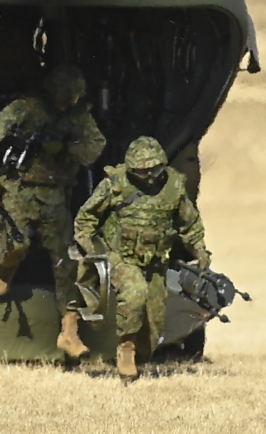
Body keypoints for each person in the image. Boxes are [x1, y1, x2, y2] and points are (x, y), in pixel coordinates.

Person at [0, 64, 107, 359]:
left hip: (55, 195)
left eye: (72, 97)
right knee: (17, 243)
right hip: (19, 190)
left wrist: (67, 149)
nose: (67, 101)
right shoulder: (26, 108)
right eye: (62, 95)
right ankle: (5, 269)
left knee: (67, 260)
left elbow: (95, 146)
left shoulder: (78, 116)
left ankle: (69, 332)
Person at [72, 136, 213, 383]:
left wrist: (199, 250)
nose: (148, 176)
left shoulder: (173, 187)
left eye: (154, 170)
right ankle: (125, 348)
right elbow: (86, 218)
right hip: (121, 257)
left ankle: (140, 355)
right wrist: (89, 246)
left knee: (154, 322)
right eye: (141, 171)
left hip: (156, 262)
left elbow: (189, 223)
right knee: (134, 293)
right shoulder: (115, 185)